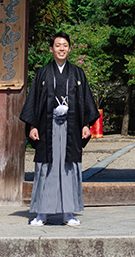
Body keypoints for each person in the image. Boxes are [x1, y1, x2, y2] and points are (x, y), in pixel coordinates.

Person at [19, 32, 98, 226]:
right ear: (51, 49)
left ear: (69, 49)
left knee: (68, 167)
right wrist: (33, 126)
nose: (61, 48)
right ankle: (42, 213)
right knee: (46, 167)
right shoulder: (42, 73)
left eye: (65, 45)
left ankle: (67, 213)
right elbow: (34, 101)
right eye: (57, 45)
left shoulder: (78, 73)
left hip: (71, 127)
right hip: (47, 126)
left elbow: (85, 100)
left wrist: (86, 124)